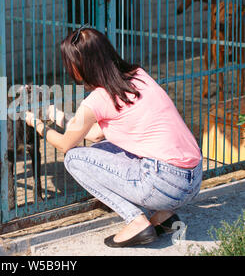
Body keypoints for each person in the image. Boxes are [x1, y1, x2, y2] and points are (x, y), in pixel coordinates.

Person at [25, 26, 202, 248]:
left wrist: (38, 125)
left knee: (73, 158)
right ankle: (164, 215)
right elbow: (95, 134)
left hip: (164, 184)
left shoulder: (98, 99)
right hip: (193, 180)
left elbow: (65, 144)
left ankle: (136, 221)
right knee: (105, 146)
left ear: (81, 66)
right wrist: (55, 115)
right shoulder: (139, 76)